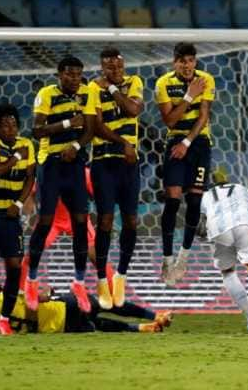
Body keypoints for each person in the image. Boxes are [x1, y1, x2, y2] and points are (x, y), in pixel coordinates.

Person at [27, 56, 95, 314]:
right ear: (59, 74)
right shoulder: (46, 94)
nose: (75, 79)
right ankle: (32, 281)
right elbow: (36, 131)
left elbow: (89, 129)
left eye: (78, 74)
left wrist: (76, 145)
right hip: (51, 164)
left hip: (75, 164)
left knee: (80, 223)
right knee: (44, 222)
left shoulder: (87, 93)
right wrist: (68, 124)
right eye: (70, 74)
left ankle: (78, 283)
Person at [88, 47, 144, 309]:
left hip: (129, 164)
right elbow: (96, 125)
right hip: (103, 161)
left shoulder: (134, 82)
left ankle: (120, 275)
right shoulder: (91, 88)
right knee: (106, 221)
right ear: (102, 67)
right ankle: (101, 279)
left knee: (132, 221)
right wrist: (124, 143)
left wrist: (111, 88)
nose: (115, 71)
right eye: (109, 67)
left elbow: (133, 110)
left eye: (118, 66)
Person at [156, 42, 215, 286]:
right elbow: (170, 121)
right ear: (175, 63)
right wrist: (189, 95)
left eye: (191, 60)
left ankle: (184, 256)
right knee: (172, 200)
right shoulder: (163, 84)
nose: (187, 65)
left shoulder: (207, 79)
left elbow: (203, 117)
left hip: (199, 144)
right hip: (174, 141)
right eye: (182, 61)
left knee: (194, 201)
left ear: (195, 61)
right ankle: (167, 258)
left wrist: (188, 143)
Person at [199, 170, 248, 333]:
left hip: (217, 229)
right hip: (244, 222)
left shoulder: (204, 196)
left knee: (228, 272)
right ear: (227, 181)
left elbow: (199, 225)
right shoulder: (241, 189)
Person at [0, 104, 35, 335]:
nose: (11, 128)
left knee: (15, 267)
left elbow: (30, 177)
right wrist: (16, 156)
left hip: (10, 216)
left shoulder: (26, 144)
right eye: (5, 125)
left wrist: (18, 204)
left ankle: (4, 318)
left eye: (14, 124)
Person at [0, 279, 171, 334]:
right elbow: (42, 298)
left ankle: (142, 328)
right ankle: (155, 316)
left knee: (98, 324)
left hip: (59, 328)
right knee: (105, 304)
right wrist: (47, 289)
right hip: (64, 308)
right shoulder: (9, 293)